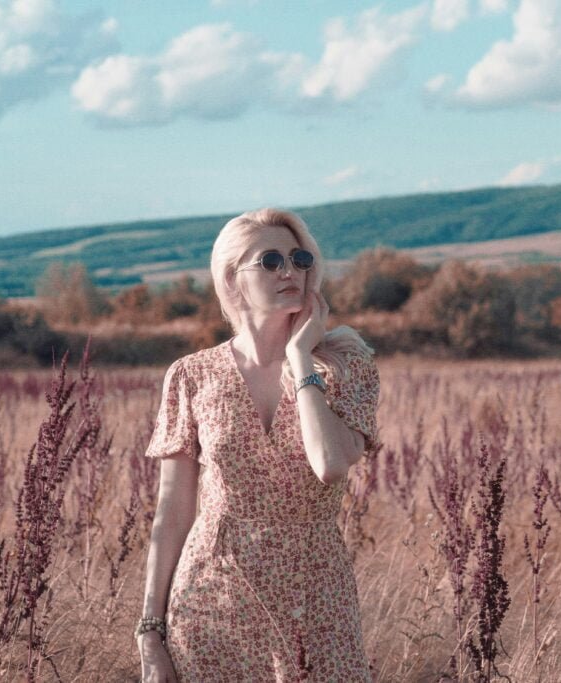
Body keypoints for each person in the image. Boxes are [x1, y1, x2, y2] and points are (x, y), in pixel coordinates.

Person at [136, 208, 380, 682]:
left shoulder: (347, 365)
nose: (290, 270)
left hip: (317, 599)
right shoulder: (191, 375)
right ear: (232, 279)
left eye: (300, 258)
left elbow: (330, 464)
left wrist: (300, 358)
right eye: (269, 260)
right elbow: (173, 513)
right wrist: (149, 630)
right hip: (212, 599)